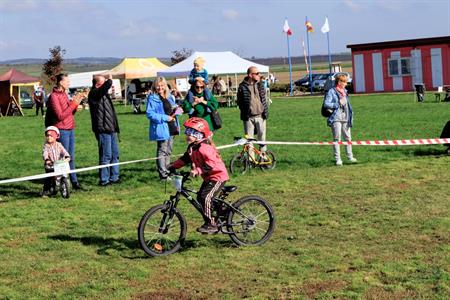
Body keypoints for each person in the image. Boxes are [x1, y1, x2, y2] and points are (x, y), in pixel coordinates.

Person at [168, 117, 229, 234]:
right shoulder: (192, 147)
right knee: (200, 197)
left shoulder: (205, 147)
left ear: (199, 135)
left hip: (218, 176)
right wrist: (172, 166)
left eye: (190, 133)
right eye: (187, 132)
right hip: (208, 177)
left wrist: (197, 171)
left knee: (205, 197)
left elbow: (211, 163)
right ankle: (220, 214)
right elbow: (185, 159)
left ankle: (211, 224)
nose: (187, 135)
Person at [45, 73, 83, 190]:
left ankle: (75, 183)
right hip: (62, 130)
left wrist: (76, 104)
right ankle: (56, 184)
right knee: (61, 159)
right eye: (67, 81)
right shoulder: (54, 97)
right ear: (61, 82)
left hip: (70, 128)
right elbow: (60, 116)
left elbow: (69, 113)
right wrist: (73, 104)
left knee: (70, 157)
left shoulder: (65, 95)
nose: (69, 83)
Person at [88, 74, 120, 186]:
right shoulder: (94, 94)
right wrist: (110, 79)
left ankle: (115, 177)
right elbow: (105, 87)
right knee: (106, 155)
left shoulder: (104, 94)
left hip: (111, 129)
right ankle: (104, 180)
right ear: (97, 84)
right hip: (102, 130)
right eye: (103, 83)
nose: (106, 86)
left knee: (115, 154)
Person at [146, 77, 180, 180]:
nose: (160, 87)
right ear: (154, 87)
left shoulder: (170, 97)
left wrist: (177, 110)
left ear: (165, 86)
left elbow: (171, 109)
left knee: (169, 150)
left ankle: (168, 169)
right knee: (162, 150)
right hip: (162, 126)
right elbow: (150, 114)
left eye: (162, 85)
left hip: (171, 126)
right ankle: (163, 174)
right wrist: (165, 118)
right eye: (158, 85)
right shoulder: (152, 98)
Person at [323, 73, 357, 166]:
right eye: (345, 81)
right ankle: (338, 159)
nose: (346, 83)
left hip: (346, 118)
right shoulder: (331, 91)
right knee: (337, 138)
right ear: (339, 82)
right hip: (336, 118)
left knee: (348, 138)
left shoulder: (345, 91)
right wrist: (337, 103)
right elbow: (326, 104)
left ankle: (350, 157)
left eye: (346, 81)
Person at [237, 66, 269, 154]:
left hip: (261, 116)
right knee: (249, 140)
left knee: (262, 139)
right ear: (251, 75)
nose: (259, 75)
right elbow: (239, 102)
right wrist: (246, 112)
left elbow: (264, 99)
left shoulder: (260, 84)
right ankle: (251, 160)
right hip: (248, 118)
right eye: (257, 73)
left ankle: (263, 158)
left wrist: (264, 111)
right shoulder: (242, 87)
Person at [41, 126, 70, 197]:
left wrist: (67, 156)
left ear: (56, 136)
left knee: (62, 175)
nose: (49, 137)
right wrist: (47, 159)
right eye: (47, 136)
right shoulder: (46, 146)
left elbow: (63, 150)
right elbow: (45, 153)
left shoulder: (58, 144)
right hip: (50, 165)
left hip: (59, 164)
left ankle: (62, 186)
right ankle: (45, 190)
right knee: (49, 178)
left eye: (51, 136)